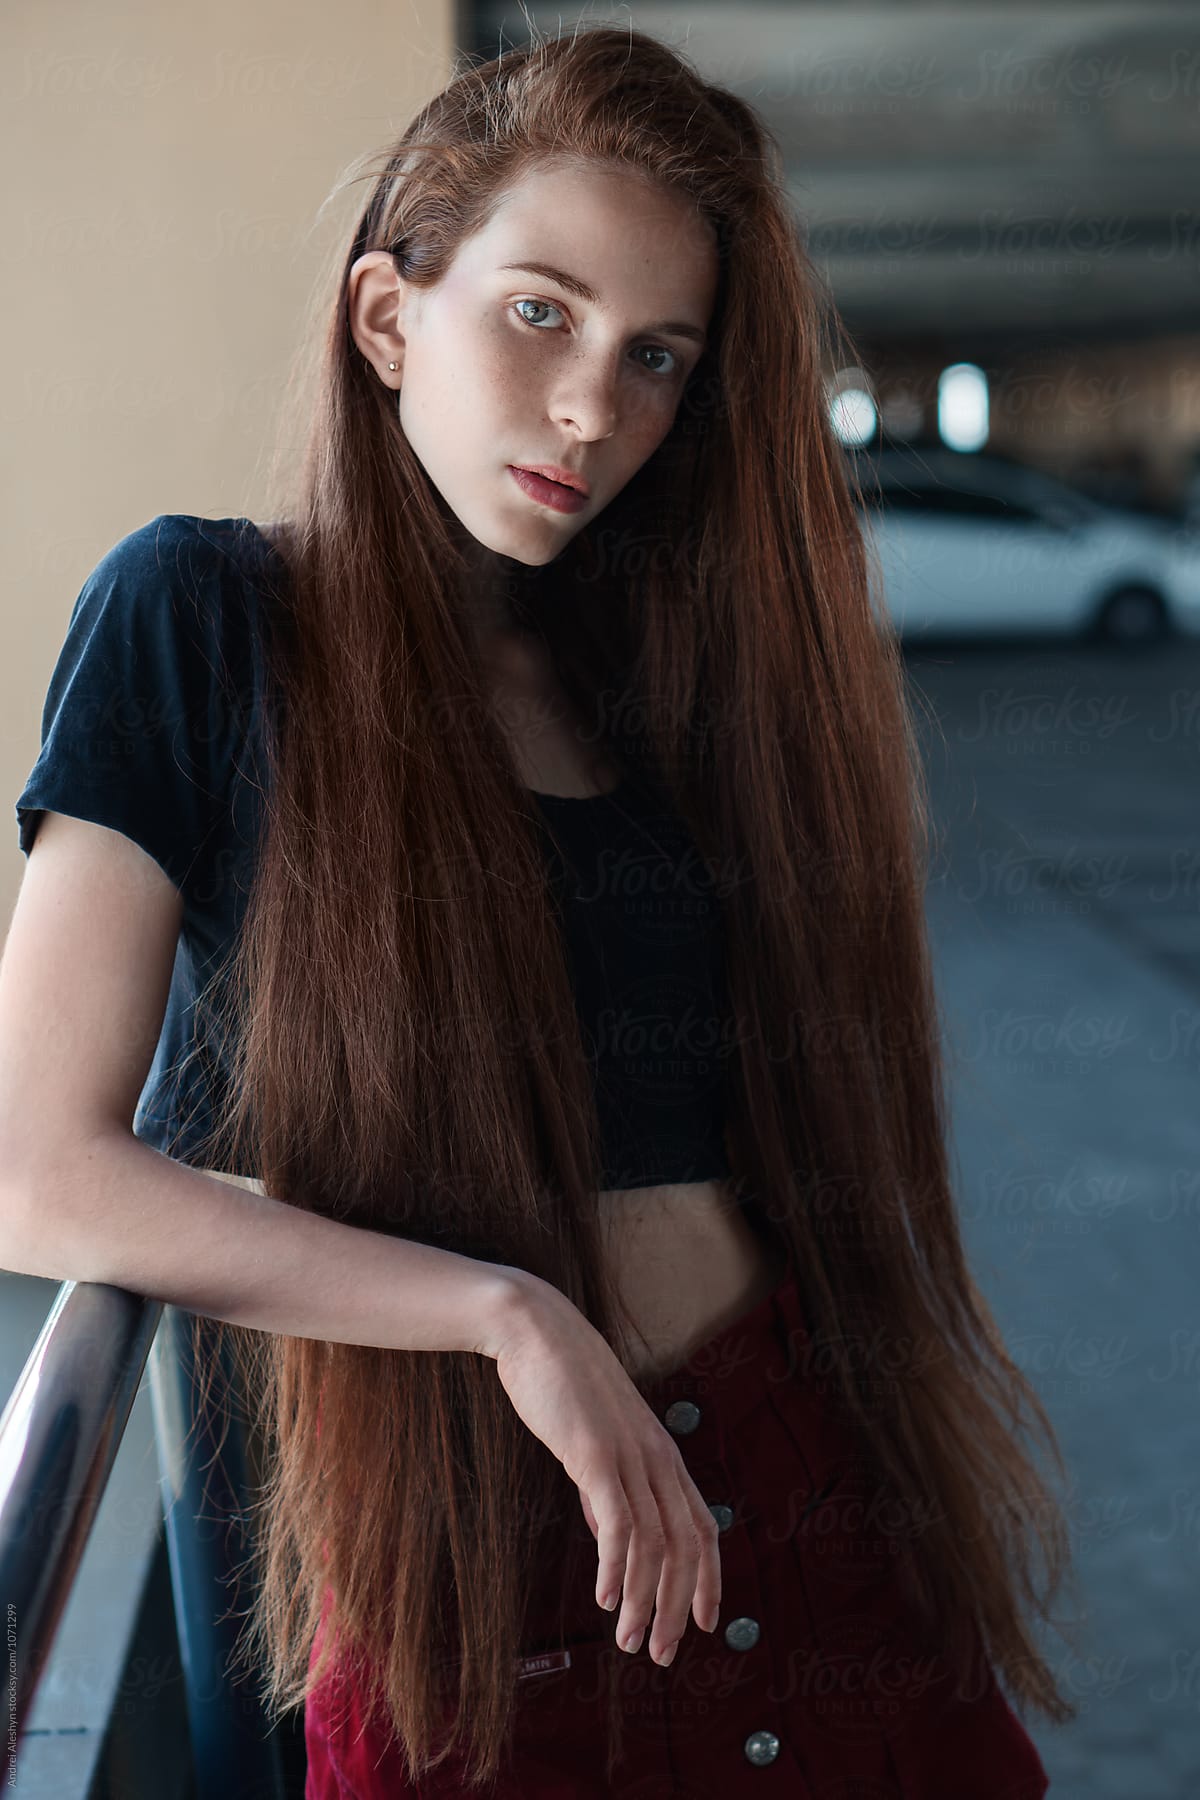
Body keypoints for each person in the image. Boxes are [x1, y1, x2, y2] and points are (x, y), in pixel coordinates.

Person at [2, 22, 1082, 1799]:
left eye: (658, 356)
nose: (599, 405)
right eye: (541, 313)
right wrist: (510, 1314)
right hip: (479, 1558)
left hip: (795, 1476)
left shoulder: (652, 674)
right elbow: (38, 1167)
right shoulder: (201, 617)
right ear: (385, 317)